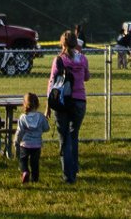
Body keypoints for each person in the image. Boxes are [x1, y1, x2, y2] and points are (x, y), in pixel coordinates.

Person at [48, 29, 89, 183]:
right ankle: (74, 169)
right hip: (79, 101)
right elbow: (87, 77)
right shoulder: (83, 59)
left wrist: (48, 105)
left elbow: (52, 83)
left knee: (64, 137)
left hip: (63, 101)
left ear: (62, 43)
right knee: (74, 136)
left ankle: (68, 175)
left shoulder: (59, 60)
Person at [15, 90, 48, 184]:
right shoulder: (41, 117)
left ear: (24, 104)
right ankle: (35, 178)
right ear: (37, 104)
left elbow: (19, 131)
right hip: (37, 144)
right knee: (35, 163)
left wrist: (16, 141)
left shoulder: (23, 117)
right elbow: (46, 128)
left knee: (23, 160)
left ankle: (25, 171)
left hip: (25, 144)